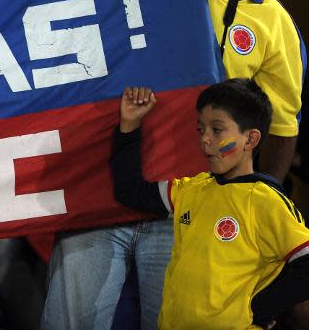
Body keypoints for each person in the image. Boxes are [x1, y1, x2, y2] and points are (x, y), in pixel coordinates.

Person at [40, 0, 305, 330]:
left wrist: (252, 202)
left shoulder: (275, 22)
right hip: (100, 194)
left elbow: (282, 126)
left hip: (187, 212)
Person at [112, 80, 309, 327]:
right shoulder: (191, 190)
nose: (205, 139)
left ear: (250, 140)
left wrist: (256, 309)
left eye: (217, 130)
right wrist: (129, 126)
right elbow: (130, 191)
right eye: (200, 129)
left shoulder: (265, 200)